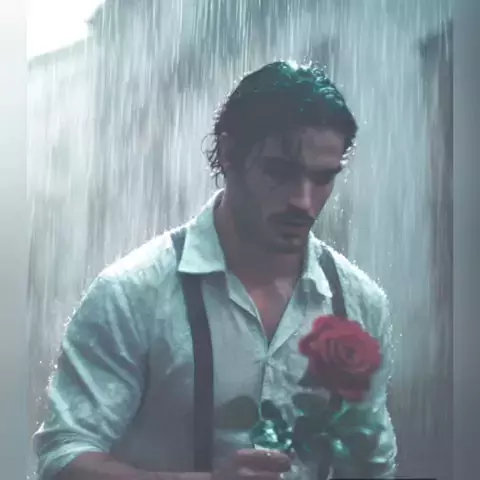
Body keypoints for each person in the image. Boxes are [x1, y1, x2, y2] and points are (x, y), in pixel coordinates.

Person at [34, 61, 397, 480]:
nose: (303, 200)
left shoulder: (360, 304)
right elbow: (62, 459)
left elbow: (372, 463)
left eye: (322, 178)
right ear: (228, 154)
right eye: (279, 172)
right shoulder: (132, 295)